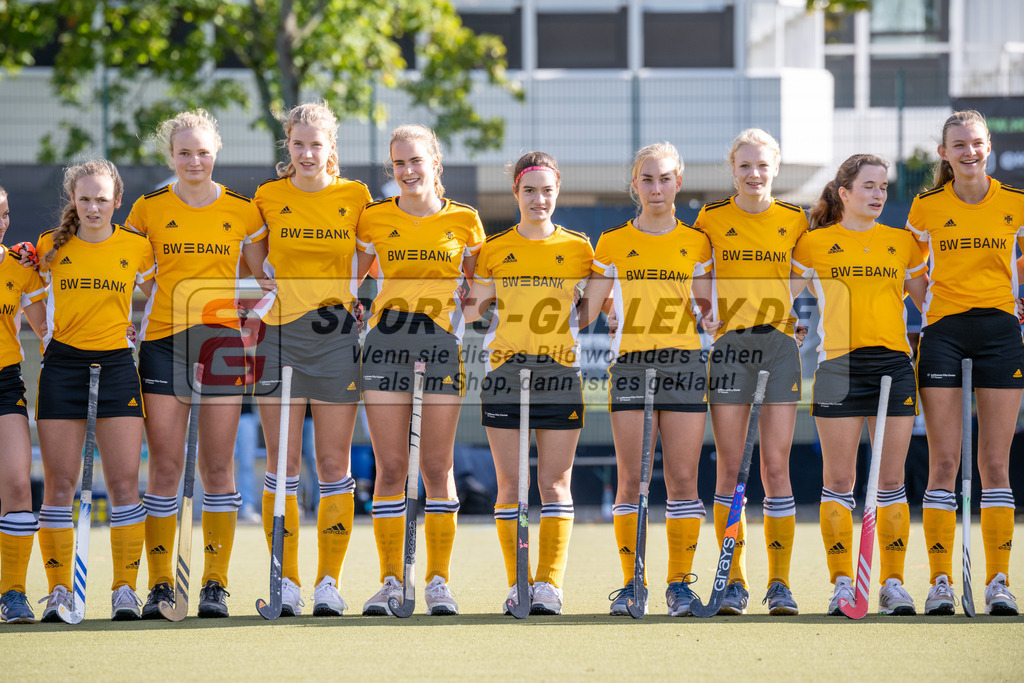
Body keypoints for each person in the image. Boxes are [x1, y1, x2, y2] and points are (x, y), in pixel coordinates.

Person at [126, 110, 269, 619]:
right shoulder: (147, 209)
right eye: (184, 152)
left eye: (202, 151)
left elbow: (267, 278)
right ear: (170, 156)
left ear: (217, 152)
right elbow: (132, 271)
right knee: (164, 465)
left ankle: (214, 583)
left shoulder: (243, 210)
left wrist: (250, 319)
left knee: (217, 465)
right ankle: (162, 585)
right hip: (163, 342)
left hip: (222, 346)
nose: (193, 160)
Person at [579, 142, 714, 617]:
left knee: (682, 480)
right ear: (634, 185)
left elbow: (709, 311)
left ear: (679, 181)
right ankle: (632, 583)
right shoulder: (611, 242)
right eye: (647, 179)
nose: (656, 188)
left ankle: (679, 585)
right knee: (632, 479)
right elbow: (585, 314)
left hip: (684, 365)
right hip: (631, 366)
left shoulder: (697, 242)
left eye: (665, 178)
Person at [355, 124, 485, 616]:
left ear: (436, 164)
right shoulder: (373, 218)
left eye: (416, 161)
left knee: (436, 466)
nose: (408, 171)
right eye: (399, 163)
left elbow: (479, 292)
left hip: (441, 346)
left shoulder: (466, 222)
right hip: (386, 344)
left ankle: (436, 582)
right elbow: (351, 279)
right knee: (390, 467)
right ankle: (391, 580)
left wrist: (460, 313)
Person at [791, 154, 927, 615]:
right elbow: (780, 296)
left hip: (893, 365)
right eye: (869, 186)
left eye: (884, 187)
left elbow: (930, 298)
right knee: (839, 481)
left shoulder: (904, 244)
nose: (879, 195)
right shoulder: (814, 244)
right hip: (838, 367)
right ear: (844, 193)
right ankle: (843, 583)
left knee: (890, 481)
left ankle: (891, 584)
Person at [253, 101, 373, 617]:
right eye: (297, 144)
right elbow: (251, 248)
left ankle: (329, 582)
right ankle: (287, 582)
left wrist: (353, 291)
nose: (306, 153)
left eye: (315, 144)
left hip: (335, 337)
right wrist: (263, 280)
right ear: (289, 146)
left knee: (333, 464)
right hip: (279, 338)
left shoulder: (356, 196)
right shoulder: (267, 196)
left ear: (331, 148)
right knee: (281, 464)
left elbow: (369, 252)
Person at [463, 152, 593, 615]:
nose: (539, 199)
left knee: (555, 483)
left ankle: (549, 585)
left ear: (558, 191)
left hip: (560, 375)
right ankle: (518, 582)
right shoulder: (494, 249)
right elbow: (472, 309)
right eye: (530, 190)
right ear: (516, 193)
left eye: (547, 190)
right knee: (510, 486)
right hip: (504, 375)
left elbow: (595, 310)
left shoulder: (581, 248)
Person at [908, 109, 1024, 616]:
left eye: (976, 143)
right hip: (944, 335)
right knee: (944, 462)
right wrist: (926, 307)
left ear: (988, 145)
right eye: (958, 146)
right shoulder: (926, 206)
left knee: (995, 464)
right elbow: (911, 270)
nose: (969, 152)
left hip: (1001, 333)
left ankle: (998, 580)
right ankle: (939, 582)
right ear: (944, 153)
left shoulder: (1016, 203)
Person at [692, 129, 809, 615]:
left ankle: (779, 584)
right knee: (728, 465)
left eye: (762, 166)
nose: (754, 174)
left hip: (779, 350)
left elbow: (803, 272)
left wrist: (790, 311)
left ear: (776, 168)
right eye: (745, 166)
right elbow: (699, 272)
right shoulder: (712, 218)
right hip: (730, 350)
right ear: (732, 170)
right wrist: (705, 311)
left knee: (775, 466)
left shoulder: (795, 219)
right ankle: (732, 581)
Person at [34, 160, 156, 621]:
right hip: (62, 367)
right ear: (73, 200)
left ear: (117, 201)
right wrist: (44, 335)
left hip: (118, 366)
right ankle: (60, 589)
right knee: (60, 485)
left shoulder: (138, 247)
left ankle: (125, 589)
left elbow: (163, 290)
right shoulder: (48, 247)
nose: (92, 207)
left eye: (102, 199)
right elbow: (27, 293)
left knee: (125, 483)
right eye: (84, 198)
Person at [0, 186, 48, 624]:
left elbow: (47, 329)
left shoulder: (19, 266)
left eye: (4, 214)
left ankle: (13, 593)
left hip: (4, 383)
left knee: (17, 485)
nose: (1, 222)